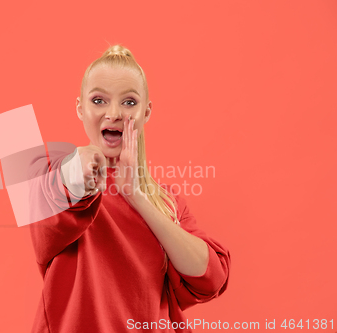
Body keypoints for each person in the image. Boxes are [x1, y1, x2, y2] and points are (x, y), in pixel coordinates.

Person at [28, 44, 231, 333]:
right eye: (98, 100)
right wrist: (80, 167)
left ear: (146, 112)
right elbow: (55, 197)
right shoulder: (51, 174)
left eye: (129, 102)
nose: (114, 113)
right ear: (79, 108)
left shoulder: (169, 202)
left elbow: (210, 276)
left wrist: (137, 195)